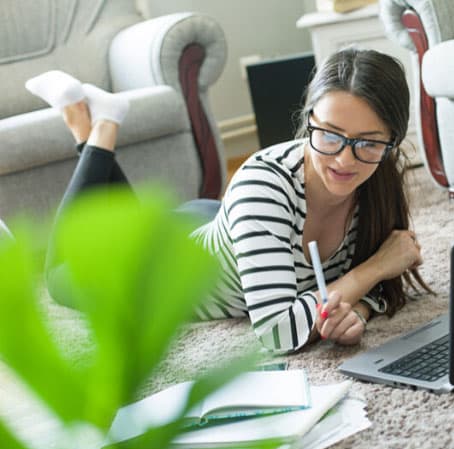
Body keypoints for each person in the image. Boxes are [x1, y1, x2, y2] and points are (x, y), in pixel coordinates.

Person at [27, 48, 430, 352]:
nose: (344, 158)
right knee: (58, 275)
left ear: (391, 141)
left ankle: (92, 119)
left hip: (211, 224)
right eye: (329, 134)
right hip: (157, 276)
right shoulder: (265, 184)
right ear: (308, 118)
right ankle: (98, 125)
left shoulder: (377, 178)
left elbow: (386, 291)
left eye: (367, 143)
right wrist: (374, 268)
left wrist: (355, 311)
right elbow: (277, 330)